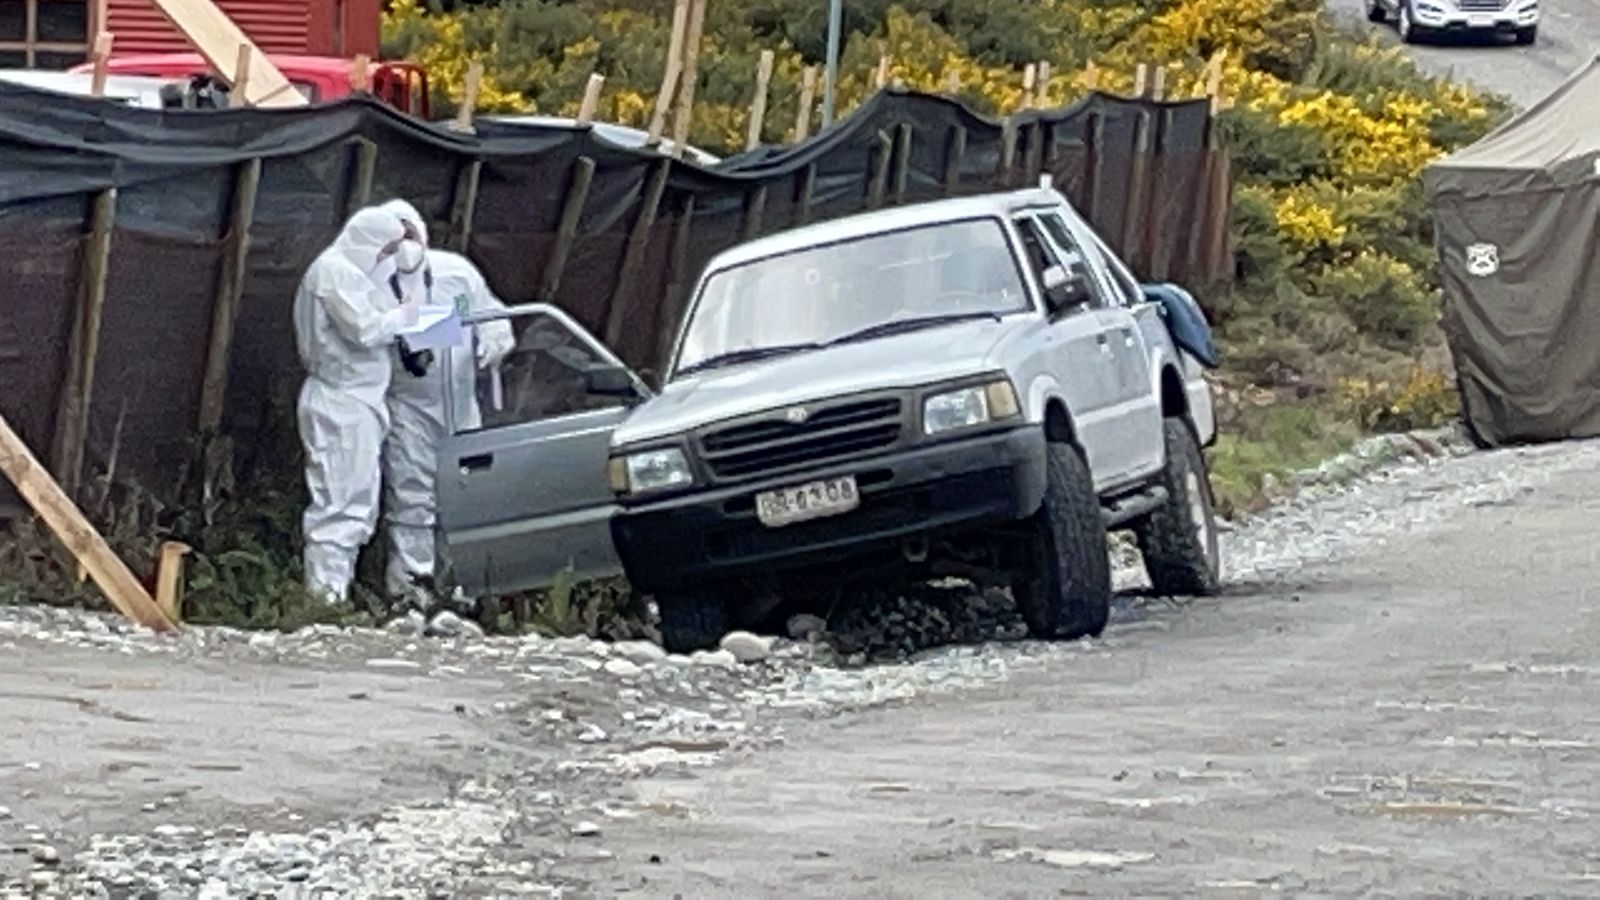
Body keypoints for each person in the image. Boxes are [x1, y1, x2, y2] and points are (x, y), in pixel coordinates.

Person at [376, 199, 516, 611]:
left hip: (460, 404)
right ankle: (411, 591)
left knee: (464, 493)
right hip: (406, 406)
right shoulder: (371, 283)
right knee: (412, 495)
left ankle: (460, 587)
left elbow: (494, 316)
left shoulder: (456, 272)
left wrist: (493, 342)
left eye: (408, 234)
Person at [294, 206, 422, 605]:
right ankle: (324, 601)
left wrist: (450, 320)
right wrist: (409, 317)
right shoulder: (334, 271)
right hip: (341, 400)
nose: (388, 259)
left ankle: (334, 595)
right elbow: (366, 329)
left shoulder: (353, 272)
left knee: (357, 505)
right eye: (385, 251)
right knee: (339, 505)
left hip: (358, 400)